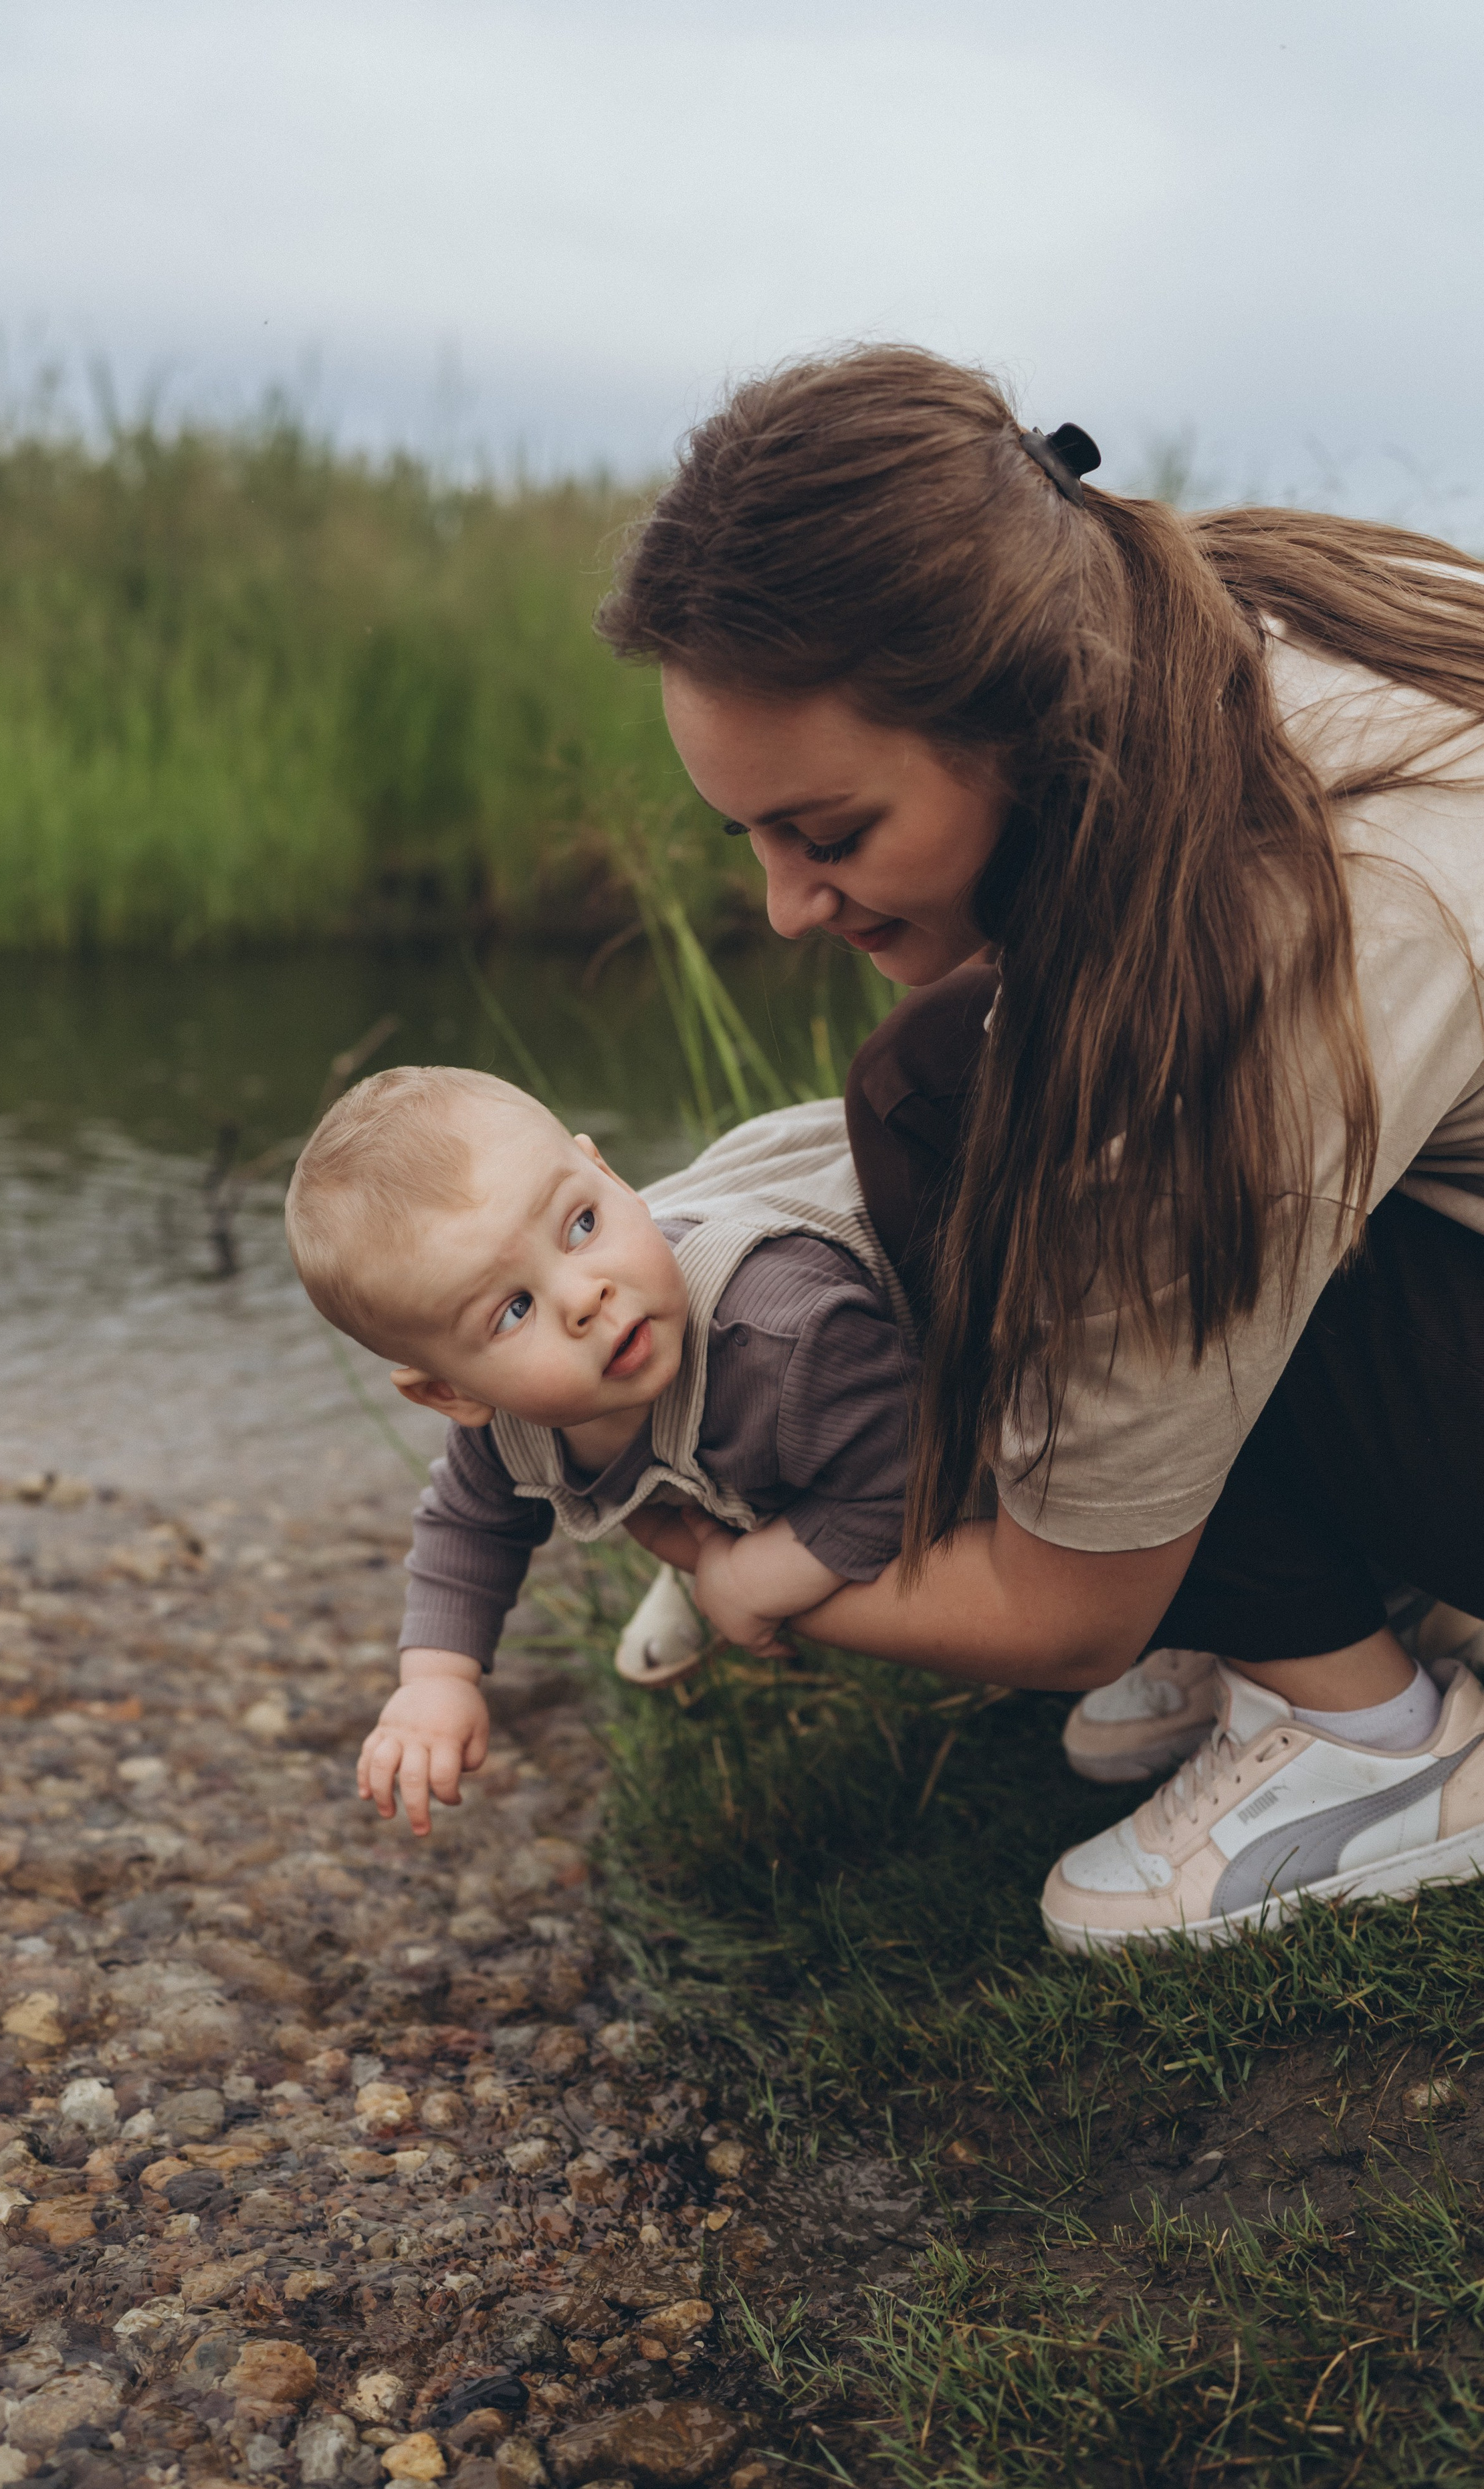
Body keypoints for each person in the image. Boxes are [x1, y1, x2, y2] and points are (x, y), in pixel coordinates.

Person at [596, 345, 1484, 1955]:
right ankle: (1280, 1588)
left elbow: (1066, 1619)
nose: (789, 905)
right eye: (753, 840)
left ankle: (1376, 1742)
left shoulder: (1252, 956)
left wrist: (747, 1565)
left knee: (957, 1118)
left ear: (1007, 722)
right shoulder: (1183, 607)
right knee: (940, 1073)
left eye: (829, 831)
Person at [283, 1065, 910, 1832]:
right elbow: (467, 1525)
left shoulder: (789, 1342)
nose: (584, 1297)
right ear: (452, 1393)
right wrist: (435, 1681)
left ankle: (742, 1532)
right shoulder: (506, 1424)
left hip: (936, 1292)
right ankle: (722, 1511)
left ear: (608, 1174)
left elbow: (914, 1466)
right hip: (806, 1417)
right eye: (513, 1310)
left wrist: (748, 1580)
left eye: (581, 1224)